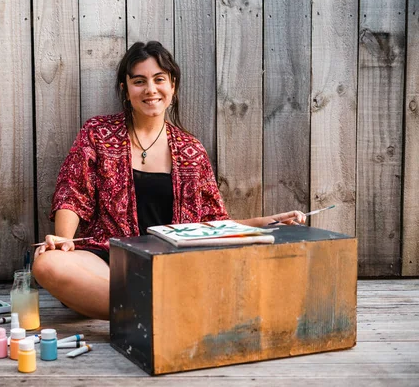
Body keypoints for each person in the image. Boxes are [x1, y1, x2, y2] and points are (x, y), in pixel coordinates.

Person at [32, 41, 305, 320]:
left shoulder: (191, 150)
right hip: (107, 259)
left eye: (159, 79)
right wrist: (64, 241)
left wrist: (265, 222)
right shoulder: (98, 132)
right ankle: (166, 312)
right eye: (139, 81)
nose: (150, 89)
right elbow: (72, 194)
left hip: (172, 265)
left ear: (172, 86)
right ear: (125, 90)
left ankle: (139, 307)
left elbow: (213, 224)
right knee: (47, 264)